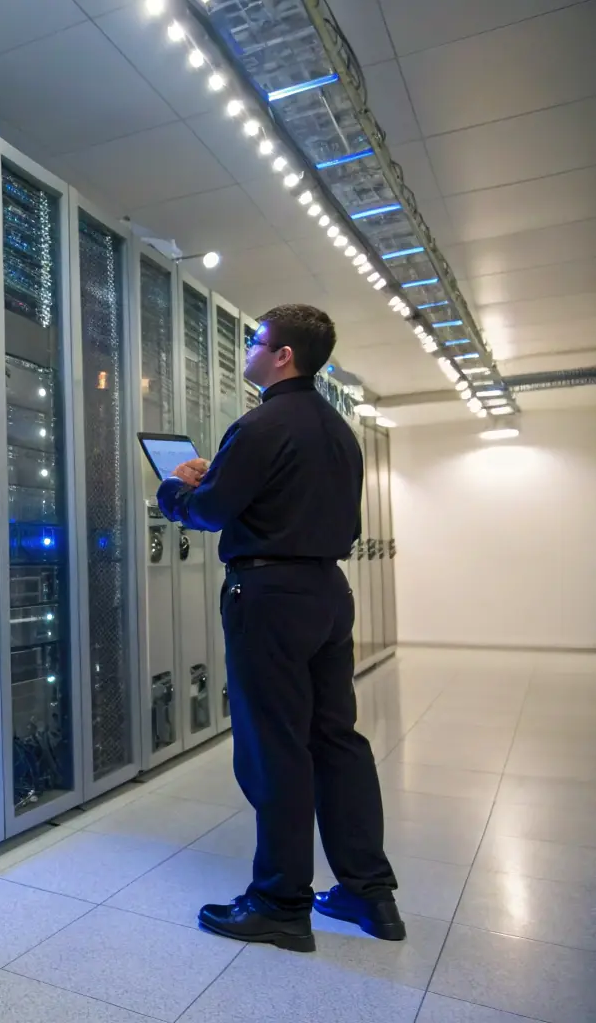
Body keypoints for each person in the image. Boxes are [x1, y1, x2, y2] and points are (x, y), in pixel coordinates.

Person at [156, 303, 403, 954]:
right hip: (326, 590)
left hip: (266, 593)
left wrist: (173, 490)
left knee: (275, 746)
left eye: (255, 340)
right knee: (336, 740)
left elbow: (209, 511)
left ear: (282, 354)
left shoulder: (261, 423)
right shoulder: (335, 429)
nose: (248, 348)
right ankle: (367, 893)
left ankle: (279, 904)